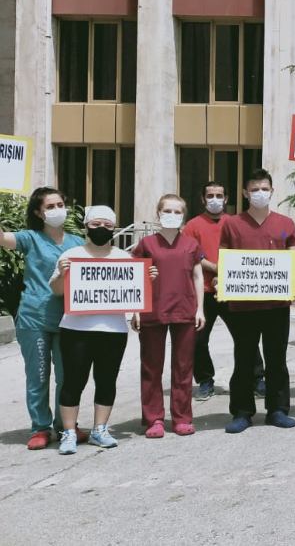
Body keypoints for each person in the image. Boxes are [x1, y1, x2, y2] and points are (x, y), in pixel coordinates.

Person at [49, 206, 141, 454]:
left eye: (108, 226)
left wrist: (136, 312)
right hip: (76, 329)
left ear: (114, 229)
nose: (102, 229)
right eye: (96, 224)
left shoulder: (124, 257)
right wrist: (63, 275)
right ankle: (68, 432)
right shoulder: (72, 254)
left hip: (113, 330)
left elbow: (134, 291)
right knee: (73, 381)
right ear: (87, 226)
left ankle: (100, 429)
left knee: (107, 380)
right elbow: (57, 291)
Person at [1, 187, 85, 449]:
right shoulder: (30, 238)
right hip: (35, 319)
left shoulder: (76, 242)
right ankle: (39, 428)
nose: (57, 210)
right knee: (38, 376)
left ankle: (65, 426)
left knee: (67, 376)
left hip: (69, 318)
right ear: (38, 212)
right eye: (50, 206)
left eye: (60, 204)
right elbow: (3, 239)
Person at [220, 169, 295, 433]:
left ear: (272, 191)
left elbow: (293, 257)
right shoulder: (232, 223)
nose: (260, 193)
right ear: (245, 193)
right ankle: (242, 412)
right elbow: (224, 257)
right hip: (243, 305)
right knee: (244, 359)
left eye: (264, 189)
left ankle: (277, 410)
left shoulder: (286, 223)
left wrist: (292, 282)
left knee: (277, 359)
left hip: (277, 304)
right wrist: (222, 280)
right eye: (254, 189)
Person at [130, 195, 205, 437]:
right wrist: (135, 310)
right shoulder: (146, 244)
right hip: (153, 310)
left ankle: (182, 417)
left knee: (184, 367)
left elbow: (197, 277)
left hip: (185, 309)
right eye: (167, 210)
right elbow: (134, 276)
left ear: (183, 215)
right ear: (158, 213)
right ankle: (154, 419)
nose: (171, 215)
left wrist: (200, 309)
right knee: (151, 367)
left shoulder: (191, 244)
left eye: (177, 211)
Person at [184, 181, 264, 402]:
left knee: (246, 337)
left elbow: (245, 251)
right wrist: (217, 268)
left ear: (227, 199)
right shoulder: (192, 225)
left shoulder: (237, 223)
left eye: (219, 195)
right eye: (210, 195)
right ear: (203, 199)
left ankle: (257, 378)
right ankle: (205, 380)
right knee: (198, 339)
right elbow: (193, 254)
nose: (215, 199)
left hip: (233, 290)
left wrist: (226, 273)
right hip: (204, 292)